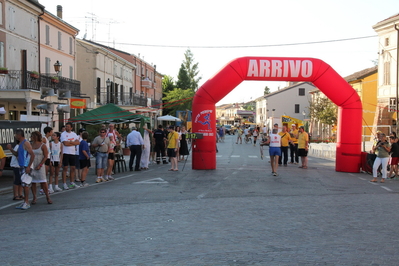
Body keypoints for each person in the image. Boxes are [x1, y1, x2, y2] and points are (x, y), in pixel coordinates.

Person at [14, 129, 35, 210]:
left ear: (19, 135)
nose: (15, 136)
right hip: (22, 166)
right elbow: (17, 154)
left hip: (26, 166)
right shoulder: (20, 144)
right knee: (23, 185)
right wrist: (11, 149)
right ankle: (25, 202)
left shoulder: (26, 143)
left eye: (16, 135)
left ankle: (27, 202)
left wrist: (29, 166)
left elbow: (32, 155)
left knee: (26, 185)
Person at [30, 131, 52, 205]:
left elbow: (46, 156)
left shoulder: (43, 145)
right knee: (33, 182)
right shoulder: (30, 145)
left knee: (43, 181)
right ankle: (34, 197)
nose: (31, 137)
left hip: (40, 165)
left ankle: (47, 197)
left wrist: (40, 164)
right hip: (32, 165)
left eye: (32, 136)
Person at [61, 122, 80, 190]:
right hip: (65, 152)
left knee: (73, 168)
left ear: (71, 128)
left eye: (68, 127)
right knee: (65, 168)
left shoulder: (74, 134)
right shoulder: (63, 134)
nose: (67, 128)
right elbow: (65, 143)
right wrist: (73, 143)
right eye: (66, 126)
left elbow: (78, 142)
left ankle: (72, 182)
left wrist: (70, 143)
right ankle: (64, 183)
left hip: (72, 153)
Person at [42, 126, 53, 193]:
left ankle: (44, 188)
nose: (52, 133)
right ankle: (42, 189)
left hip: (48, 157)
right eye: (51, 132)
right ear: (48, 132)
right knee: (44, 174)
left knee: (46, 173)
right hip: (45, 157)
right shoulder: (44, 139)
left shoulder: (47, 139)